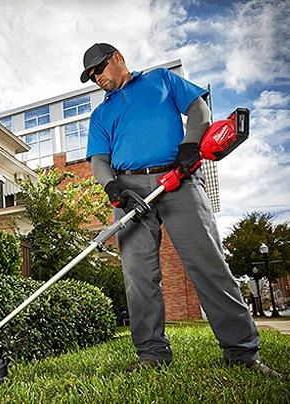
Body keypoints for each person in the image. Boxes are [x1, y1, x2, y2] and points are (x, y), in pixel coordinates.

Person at [80, 42, 280, 377]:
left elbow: (199, 109)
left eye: (99, 69)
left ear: (117, 58)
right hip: (130, 191)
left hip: (180, 179)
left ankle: (242, 352)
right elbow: (100, 160)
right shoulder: (101, 114)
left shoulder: (160, 79)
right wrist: (113, 188)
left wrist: (190, 144)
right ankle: (152, 354)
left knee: (208, 263)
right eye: (91, 76)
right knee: (138, 277)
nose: (97, 78)